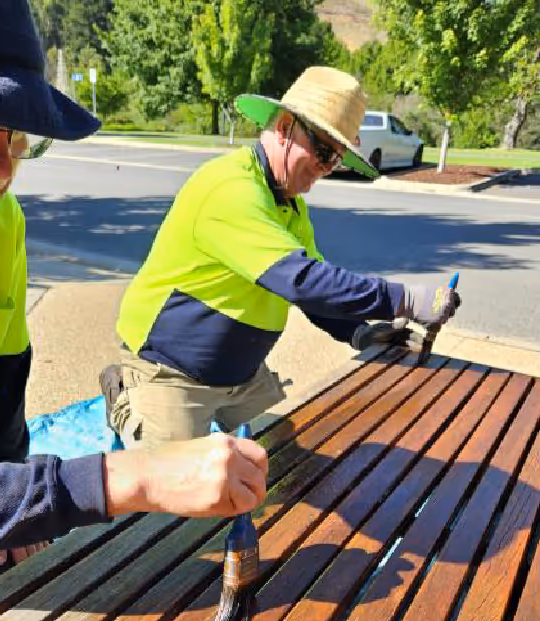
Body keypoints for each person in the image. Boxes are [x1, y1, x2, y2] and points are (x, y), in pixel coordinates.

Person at [0, 0, 268, 621]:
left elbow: (4, 392)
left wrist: (19, 512)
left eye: (14, 132)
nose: (0, 168)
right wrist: (132, 476)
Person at [106, 66, 460, 449]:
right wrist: (408, 300)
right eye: (324, 150)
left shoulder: (289, 204)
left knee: (274, 465)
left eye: (337, 158)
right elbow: (302, 281)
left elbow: (315, 289)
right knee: (171, 498)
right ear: (284, 126)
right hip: (170, 371)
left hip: (236, 377)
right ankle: (125, 395)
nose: (326, 168)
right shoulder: (230, 188)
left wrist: (360, 331)